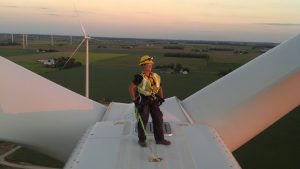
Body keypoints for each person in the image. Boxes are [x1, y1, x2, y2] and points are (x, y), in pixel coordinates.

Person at [129, 55, 171, 147]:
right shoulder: (139, 77)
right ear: (143, 66)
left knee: (158, 119)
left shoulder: (155, 76)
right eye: (147, 64)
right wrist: (134, 100)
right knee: (143, 119)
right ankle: (142, 140)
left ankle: (160, 139)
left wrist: (161, 97)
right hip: (144, 100)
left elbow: (160, 87)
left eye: (150, 64)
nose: (149, 66)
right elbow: (131, 88)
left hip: (154, 99)